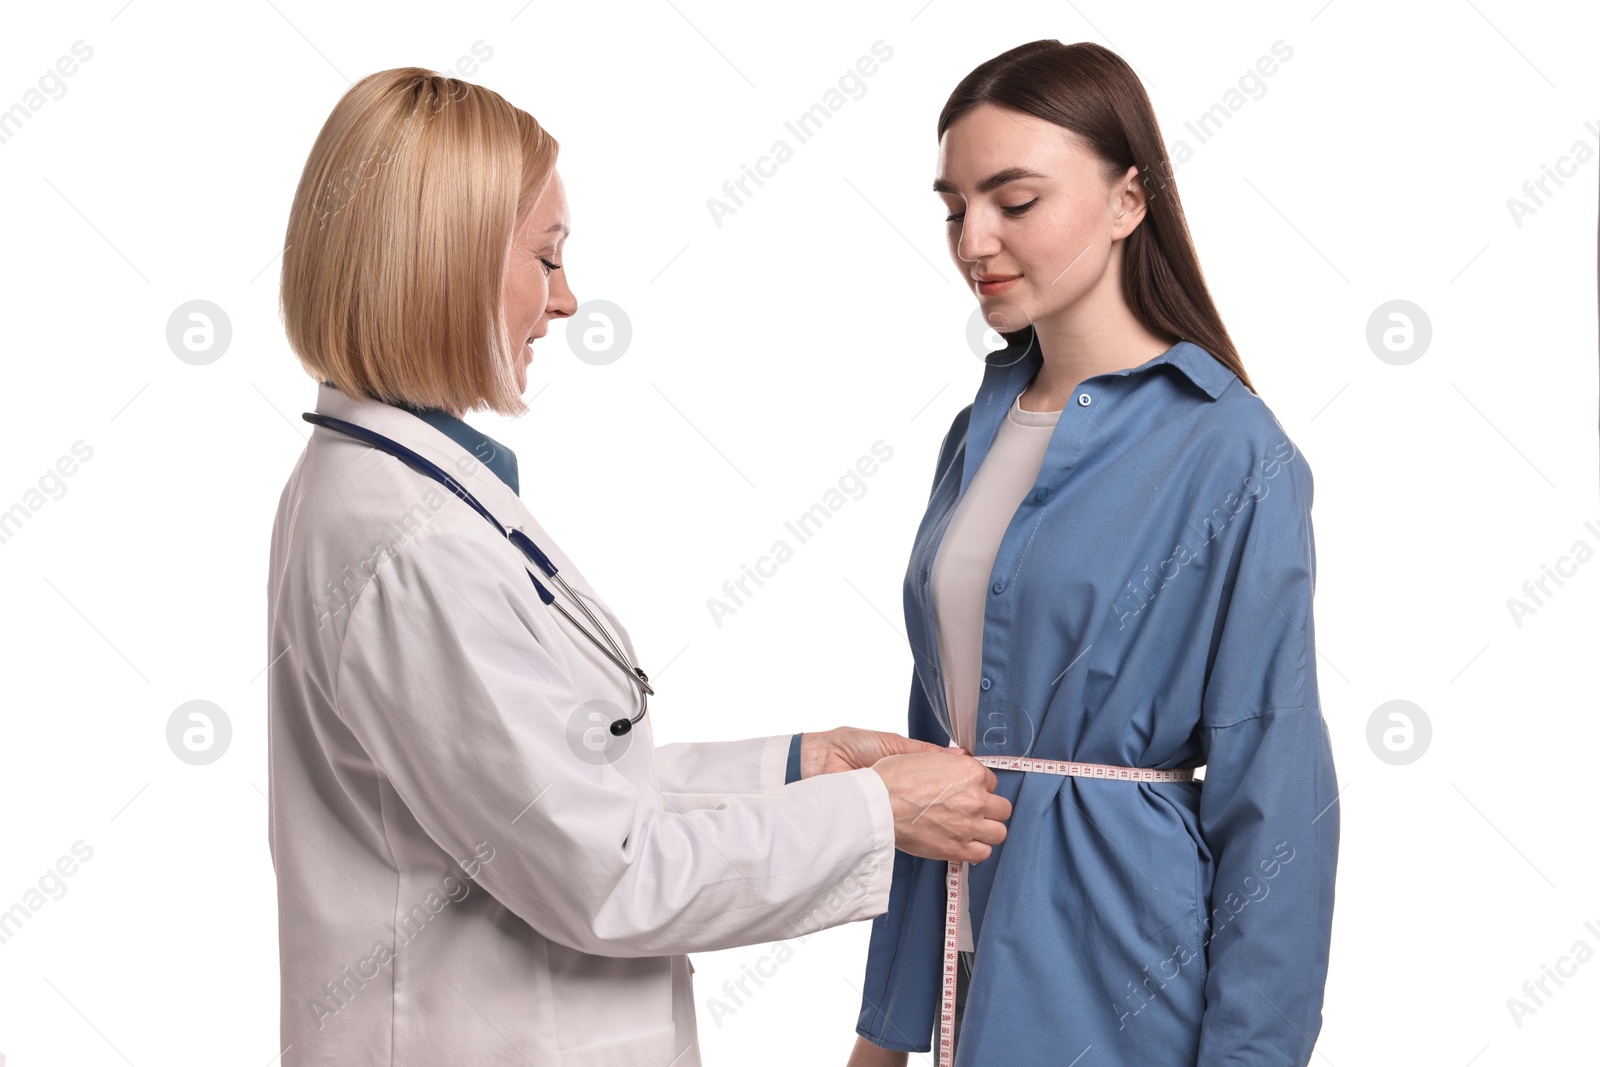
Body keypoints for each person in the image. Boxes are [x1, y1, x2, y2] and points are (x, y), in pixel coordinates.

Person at [266, 67, 1012, 1066]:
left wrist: (796, 769)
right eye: (546, 256)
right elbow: (607, 871)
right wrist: (874, 812)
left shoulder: (395, 499)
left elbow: (548, 793)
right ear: (441, 261)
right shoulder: (412, 543)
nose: (567, 299)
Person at [847, 41, 1339, 1066]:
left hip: (1122, 974)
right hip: (962, 963)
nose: (973, 238)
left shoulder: (1231, 448)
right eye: (952, 206)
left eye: (1014, 200)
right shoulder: (974, 432)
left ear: (1128, 200)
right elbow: (931, 757)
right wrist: (883, 1030)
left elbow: (1276, 787)